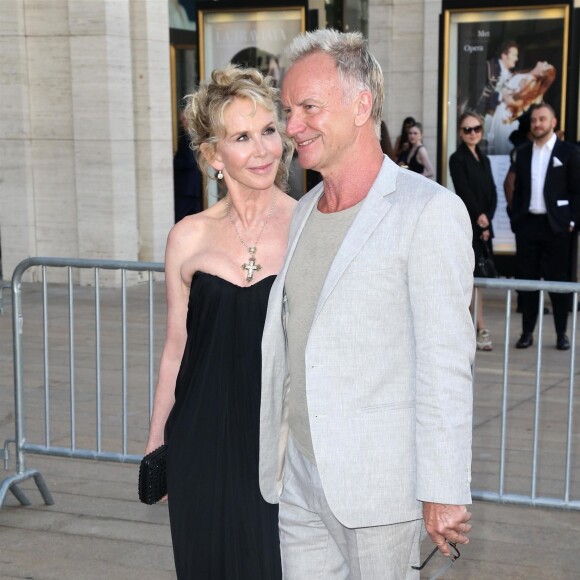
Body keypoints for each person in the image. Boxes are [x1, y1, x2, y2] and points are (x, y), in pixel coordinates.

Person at [259, 29, 474, 579]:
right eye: (288, 110)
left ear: (362, 105)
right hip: (300, 474)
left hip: (379, 490)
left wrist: (443, 490)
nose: (292, 127)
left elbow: (446, 361)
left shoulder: (427, 212)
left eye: (308, 107)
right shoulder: (303, 210)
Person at [145, 64, 296, 579]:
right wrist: (156, 444)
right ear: (213, 155)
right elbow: (175, 348)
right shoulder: (187, 236)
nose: (262, 150)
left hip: (279, 445)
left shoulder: (308, 227)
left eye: (269, 130)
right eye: (242, 137)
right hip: (198, 441)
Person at [510, 102, 580, 350]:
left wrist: (571, 221)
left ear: (553, 123)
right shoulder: (523, 152)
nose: (537, 123)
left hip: (557, 227)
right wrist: (515, 218)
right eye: (534, 120)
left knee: (558, 282)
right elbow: (517, 191)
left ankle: (562, 333)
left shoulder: (569, 152)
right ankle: (527, 332)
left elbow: (576, 191)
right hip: (528, 225)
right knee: (527, 282)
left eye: (542, 119)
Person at [450, 112, 498, 351]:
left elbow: (493, 192)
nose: (472, 133)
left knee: (478, 279)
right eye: (467, 129)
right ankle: (479, 327)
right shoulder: (457, 159)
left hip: (484, 227)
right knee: (471, 279)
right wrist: (479, 216)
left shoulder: (485, 159)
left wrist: (487, 219)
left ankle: (476, 327)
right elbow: (463, 191)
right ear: (460, 133)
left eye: (476, 128)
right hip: (468, 226)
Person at [487, 61, 556, 155]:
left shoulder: (530, 82)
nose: (545, 62)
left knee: (500, 147)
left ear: (543, 73)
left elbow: (522, 104)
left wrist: (507, 99)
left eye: (547, 65)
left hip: (506, 115)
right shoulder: (527, 76)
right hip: (502, 112)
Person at [476, 41, 519, 117]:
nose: (517, 58)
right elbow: (477, 93)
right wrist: (501, 96)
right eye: (514, 55)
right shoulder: (488, 67)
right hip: (481, 116)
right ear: (504, 56)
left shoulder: (511, 75)